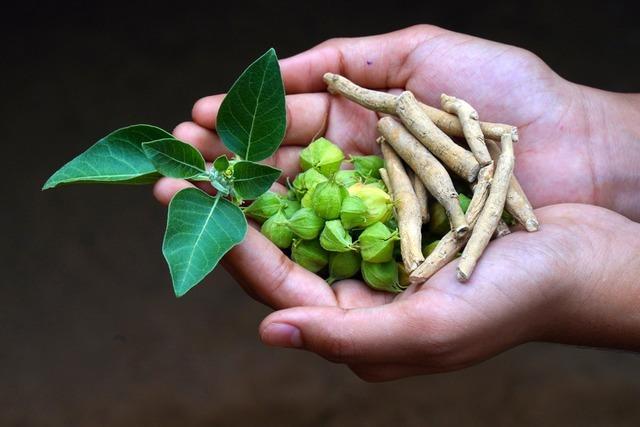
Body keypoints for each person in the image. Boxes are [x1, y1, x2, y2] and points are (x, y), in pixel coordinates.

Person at [153, 25, 640, 382]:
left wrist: (577, 275)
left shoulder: (399, 180)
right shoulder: (362, 198)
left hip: (426, 193)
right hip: (405, 196)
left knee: (447, 189)